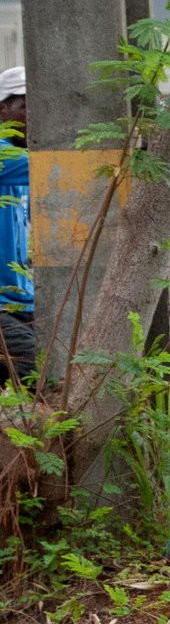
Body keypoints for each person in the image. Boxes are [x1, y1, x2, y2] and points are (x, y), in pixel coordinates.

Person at [0, 67, 34, 387]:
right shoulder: (4, 156)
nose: (36, 116)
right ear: (2, 109)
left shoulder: (20, 158)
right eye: (26, 106)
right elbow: (60, 163)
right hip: (2, 306)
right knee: (43, 378)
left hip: (21, 302)